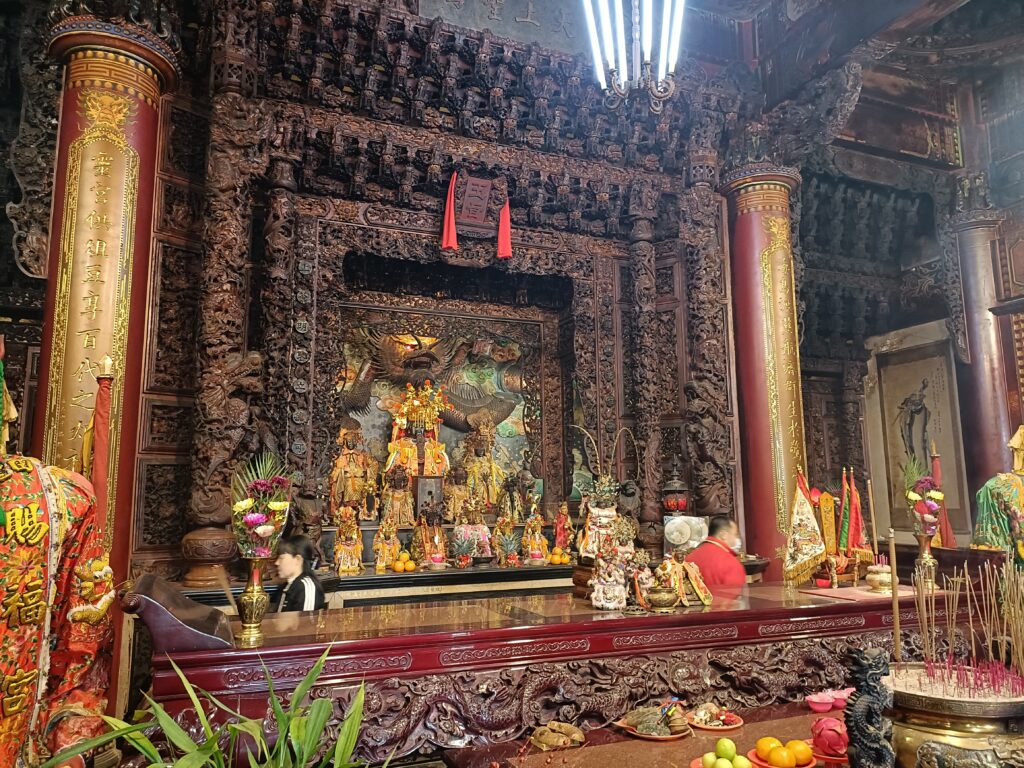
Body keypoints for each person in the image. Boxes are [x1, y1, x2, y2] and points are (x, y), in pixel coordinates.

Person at [684, 515, 747, 588]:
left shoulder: (688, 558)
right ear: (724, 535)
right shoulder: (731, 563)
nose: (736, 539)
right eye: (735, 534)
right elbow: (737, 593)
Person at [275, 535, 327, 612]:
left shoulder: (306, 588)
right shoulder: (287, 585)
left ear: (297, 559)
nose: (276, 563)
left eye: (281, 558)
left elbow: (307, 619)